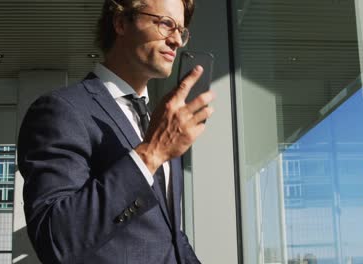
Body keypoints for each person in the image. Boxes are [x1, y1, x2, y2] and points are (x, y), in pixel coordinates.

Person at [17, 0, 215, 263]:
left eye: (181, 30)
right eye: (166, 24)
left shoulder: (159, 124)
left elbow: (171, 239)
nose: (177, 40)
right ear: (121, 22)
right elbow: (55, 238)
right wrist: (151, 153)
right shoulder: (62, 110)